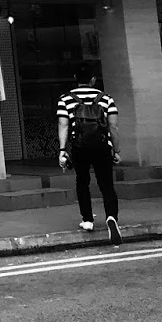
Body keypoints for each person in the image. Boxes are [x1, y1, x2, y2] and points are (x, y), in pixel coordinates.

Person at [55, 66, 122, 243]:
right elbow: (113, 127)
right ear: (93, 80)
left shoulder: (66, 99)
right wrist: (116, 150)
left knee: (82, 181)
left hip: (79, 147)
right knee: (106, 184)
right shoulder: (106, 98)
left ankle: (87, 220)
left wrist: (62, 151)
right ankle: (111, 217)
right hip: (102, 147)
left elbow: (63, 125)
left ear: (76, 78)